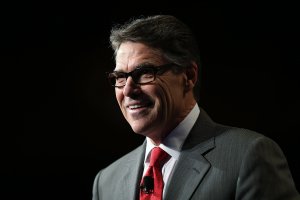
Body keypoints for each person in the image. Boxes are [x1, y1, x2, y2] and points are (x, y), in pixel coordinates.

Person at [92, 15, 300, 200]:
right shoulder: (107, 181)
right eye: (120, 77)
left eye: (145, 73)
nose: (128, 90)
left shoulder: (249, 156)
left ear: (188, 76)